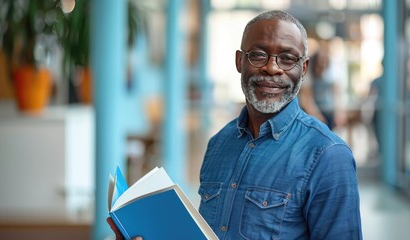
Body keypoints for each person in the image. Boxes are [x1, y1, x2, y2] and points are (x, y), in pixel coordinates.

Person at [108, 10, 362, 240]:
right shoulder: (218, 144)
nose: (272, 68)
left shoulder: (328, 156)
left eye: (287, 58)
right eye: (259, 55)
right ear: (240, 61)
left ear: (304, 68)